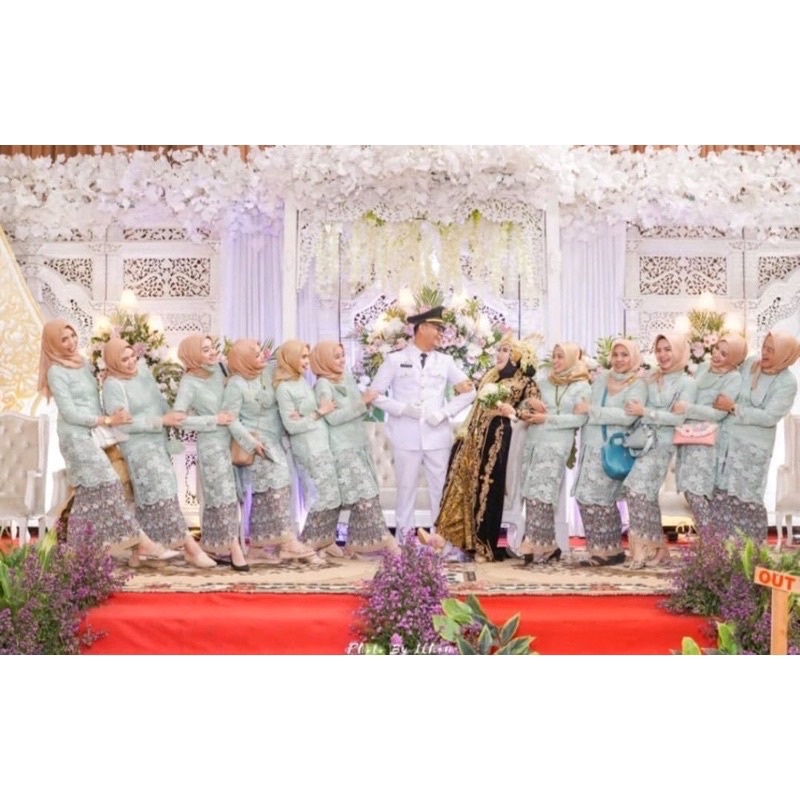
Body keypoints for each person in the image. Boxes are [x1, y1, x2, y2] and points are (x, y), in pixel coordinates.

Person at [37, 319, 180, 564]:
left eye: (72, 336)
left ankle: (75, 552)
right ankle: (142, 543)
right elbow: (70, 413)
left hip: (95, 432)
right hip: (75, 437)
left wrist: (111, 411)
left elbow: (93, 399)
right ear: (52, 344)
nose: (71, 342)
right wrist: (107, 420)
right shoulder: (55, 371)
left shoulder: (82, 362)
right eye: (63, 339)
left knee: (88, 494)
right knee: (109, 484)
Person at [101, 337, 217, 568]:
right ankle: (191, 548)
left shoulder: (143, 372)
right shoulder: (113, 385)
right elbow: (123, 425)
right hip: (138, 447)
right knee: (162, 494)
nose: (131, 362)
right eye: (124, 360)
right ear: (113, 361)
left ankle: (140, 553)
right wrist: (161, 421)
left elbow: (158, 403)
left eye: (132, 356)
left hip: (158, 443)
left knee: (157, 496)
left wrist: (176, 414)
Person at [369, 306, 476, 544]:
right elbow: (374, 394)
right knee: (406, 490)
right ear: (423, 328)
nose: (440, 334)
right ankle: (405, 544)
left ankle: (441, 543)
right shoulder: (395, 360)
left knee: (440, 491)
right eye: (437, 328)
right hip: (405, 436)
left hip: (437, 437)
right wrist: (402, 409)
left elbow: (470, 392)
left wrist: (444, 413)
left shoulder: (445, 361)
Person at [432, 334, 539, 561]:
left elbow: (534, 413)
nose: (498, 354)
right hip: (472, 438)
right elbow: (472, 401)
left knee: (485, 488)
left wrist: (514, 411)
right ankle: (447, 539)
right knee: (458, 483)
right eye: (498, 349)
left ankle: (483, 546)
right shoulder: (491, 377)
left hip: (496, 440)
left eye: (505, 350)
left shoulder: (526, 383)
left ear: (516, 356)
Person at [223, 339, 322, 565]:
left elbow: (288, 381)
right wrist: (250, 442)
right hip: (255, 443)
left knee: (268, 492)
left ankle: (257, 546)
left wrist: (298, 411)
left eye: (261, 353)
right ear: (243, 360)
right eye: (256, 355)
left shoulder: (267, 372)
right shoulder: (236, 385)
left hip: (275, 440)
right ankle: (287, 542)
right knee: (277, 485)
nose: (263, 357)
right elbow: (230, 419)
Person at [309, 341, 400, 557]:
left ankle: (354, 545)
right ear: (323, 360)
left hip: (358, 445)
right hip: (342, 450)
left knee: (364, 497)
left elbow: (357, 411)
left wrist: (365, 403)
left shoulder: (346, 377)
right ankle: (390, 544)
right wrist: (362, 402)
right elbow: (332, 418)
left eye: (342, 355)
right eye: (336, 356)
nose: (342, 360)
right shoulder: (323, 385)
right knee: (366, 496)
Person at [712, 330, 800, 542]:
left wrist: (733, 407)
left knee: (746, 500)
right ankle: (720, 551)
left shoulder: (787, 382)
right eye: (764, 347)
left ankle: (750, 552)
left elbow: (769, 417)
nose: (765, 353)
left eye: (772, 350)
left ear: (785, 354)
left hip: (752, 449)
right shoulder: (751, 363)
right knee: (720, 495)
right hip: (726, 441)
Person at [173, 334, 248, 571]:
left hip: (231, 440)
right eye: (205, 350)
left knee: (223, 496)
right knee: (223, 496)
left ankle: (213, 545)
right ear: (193, 355)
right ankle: (235, 549)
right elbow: (178, 419)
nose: (212, 352)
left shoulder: (220, 368)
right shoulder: (189, 382)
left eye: (212, 347)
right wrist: (214, 419)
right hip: (211, 445)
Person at [622, 332, 695, 569]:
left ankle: (646, 549)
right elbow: (636, 402)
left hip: (663, 444)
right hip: (643, 441)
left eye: (668, 349)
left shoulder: (687, 383)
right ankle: (655, 549)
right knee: (642, 494)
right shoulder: (651, 377)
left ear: (679, 351)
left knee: (637, 490)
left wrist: (646, 412)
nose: (662, 355)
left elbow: (679, 418)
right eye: (659, 350)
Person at [572, 338, 648, 566]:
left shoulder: (638, 384)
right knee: (584, 497)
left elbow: (628, 416)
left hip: (614, 447)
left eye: (624, 355)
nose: (619, 359)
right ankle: (601, 549)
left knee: (602, 500)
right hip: (590, 444)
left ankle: (609, 551)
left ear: (633, 357)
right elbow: (585, 406)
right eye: (615, 355)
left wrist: (592, 410)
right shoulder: (602, 378)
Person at [518, 342, 590, 564]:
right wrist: (528, 404)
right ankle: (548, 545)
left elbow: (580, 419)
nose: (556, 361)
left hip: (557, 444)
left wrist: (547, 419)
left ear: (572, 358)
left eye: (561, 356)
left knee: (542, 492)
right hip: (534, 441)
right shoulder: (543, 381)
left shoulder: (582, 386)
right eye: (554, 356)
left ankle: (532, 541)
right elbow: (522, 407)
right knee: (531, 492)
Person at [672, 333, 747, 535]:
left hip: (707, 440)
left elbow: (719, 413)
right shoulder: (704, 367)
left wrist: (688, 408)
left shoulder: (733, 378)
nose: (716, 355)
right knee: (689, 489)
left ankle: (710, 541)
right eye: (716, 349)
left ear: (734, 358)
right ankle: (711, 542)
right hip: (687, 435)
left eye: (724, 354)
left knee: (696, 491)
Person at [273, 340, 343, 556]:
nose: (307, 361)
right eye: (303, 357)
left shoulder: (302, 381)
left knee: (333, 494)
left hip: (321, 443)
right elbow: (292, 426)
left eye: (307, 356)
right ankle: (308, 543)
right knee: (323, 496)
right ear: (290, 358)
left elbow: (305, 414)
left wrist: (309, 414)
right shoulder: (284, 388)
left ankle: (325, 539)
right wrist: (319, 412)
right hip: (307, 448)